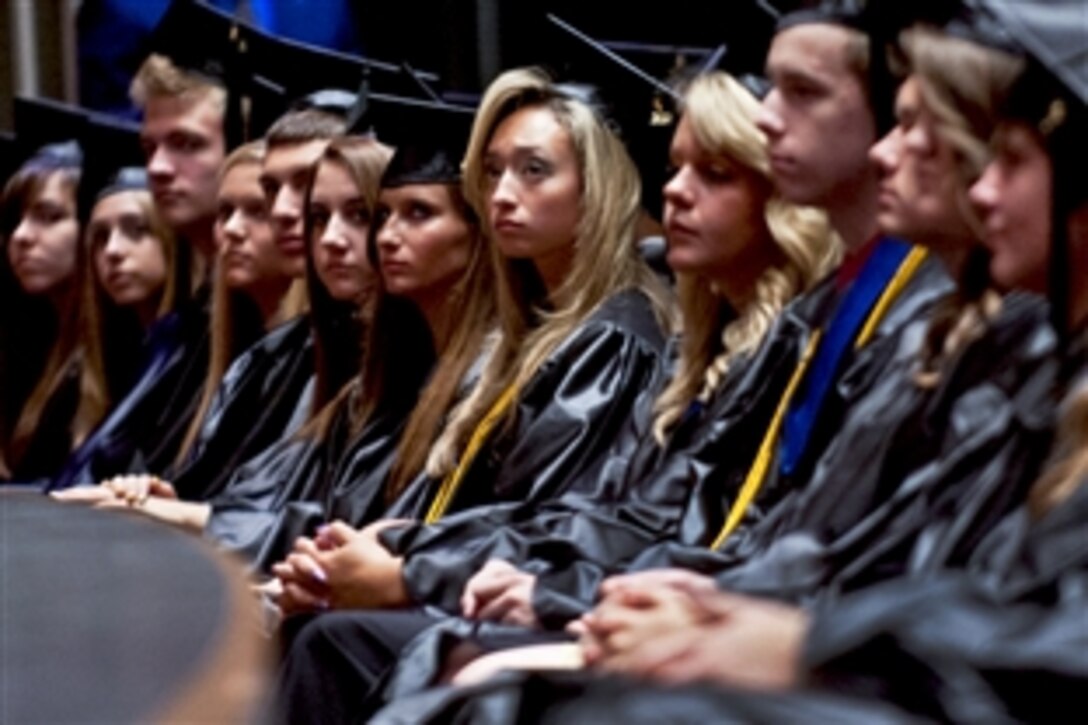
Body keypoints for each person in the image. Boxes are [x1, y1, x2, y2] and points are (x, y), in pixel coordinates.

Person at [273, 66, 675, 723]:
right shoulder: (533, 338)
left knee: (331, 641)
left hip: (532, 594)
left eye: (533, 170)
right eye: (491, 173)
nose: (502, 195)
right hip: (472, 575)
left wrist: (405, 564)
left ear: (596, 188)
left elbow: (549, 512)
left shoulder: (615, 336)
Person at [0, 143, 85, 482]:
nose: (21, 237)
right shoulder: (26, 342)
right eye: (13, 221)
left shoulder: (119, 352)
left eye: (49, 217)